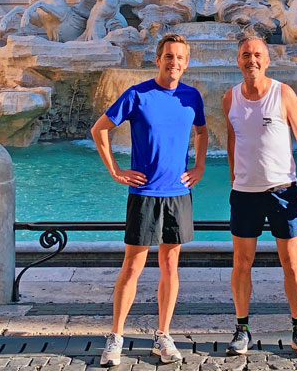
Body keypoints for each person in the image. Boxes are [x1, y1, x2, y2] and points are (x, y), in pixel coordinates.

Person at [91, 34, 208, 366]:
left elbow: (202, 131)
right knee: (132, 267)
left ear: (186, 63)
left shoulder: (192, 96)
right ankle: (116, 336)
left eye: (180, 58)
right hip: (144, 193)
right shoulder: (137, 94)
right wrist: (115, 170)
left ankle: (163, 334)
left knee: (171, 265)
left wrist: (199, 166)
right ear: (158, 59)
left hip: (178, 193)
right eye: (169, 56)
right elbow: (99, 129)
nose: (174, 63)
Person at [222, 35, 297, 357]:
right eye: (245, 54)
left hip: (283, 191)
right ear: (238, 60)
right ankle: (242, 328)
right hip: (244, 194)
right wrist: (234, 179)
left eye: (257, 55)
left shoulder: (284, 93)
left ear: (267, 60)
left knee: (291, 263)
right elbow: (232, 141)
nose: (252, 59)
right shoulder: (229, 98)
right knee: (241, 263)